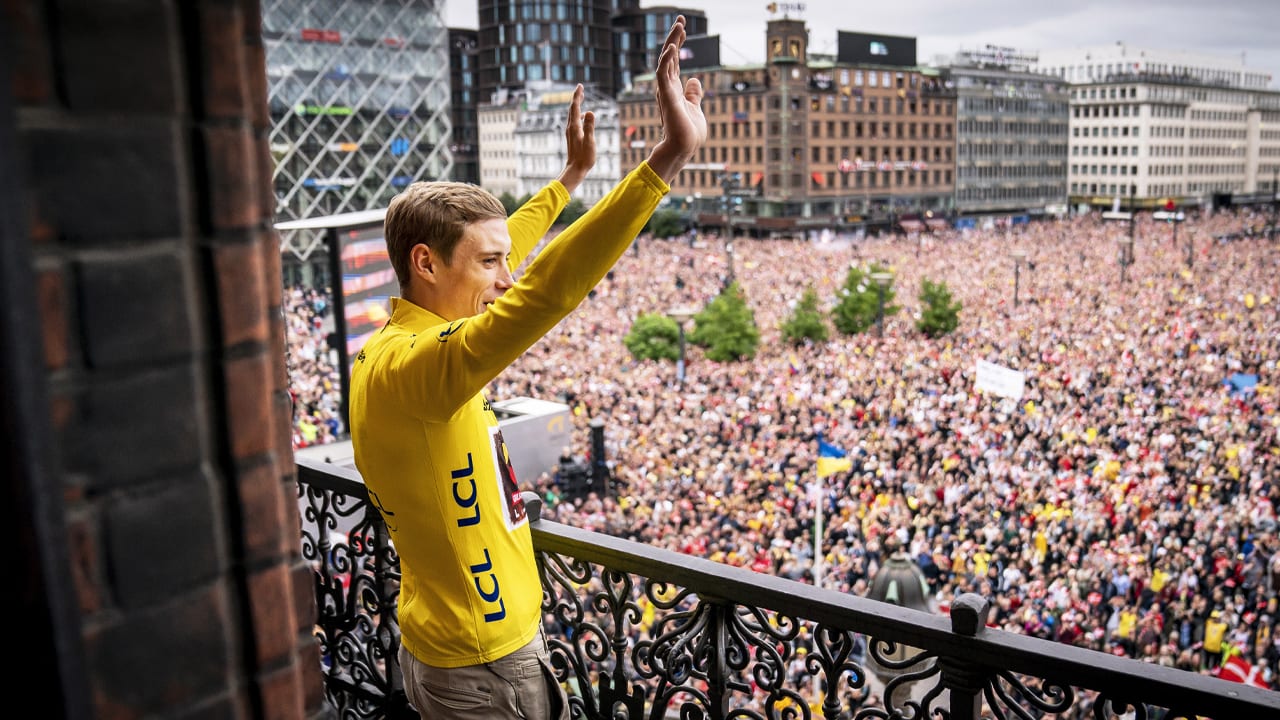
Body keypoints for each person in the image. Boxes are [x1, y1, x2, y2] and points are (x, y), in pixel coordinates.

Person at [347, 16, 707, 720]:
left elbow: (506, 244)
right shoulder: (419, 369)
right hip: (484, 669)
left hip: (452, 646)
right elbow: (547, 290)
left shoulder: (398, 347)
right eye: (488, 265)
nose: (506, 277)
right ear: (426, 264)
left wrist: (570, 177)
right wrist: (664, 161)